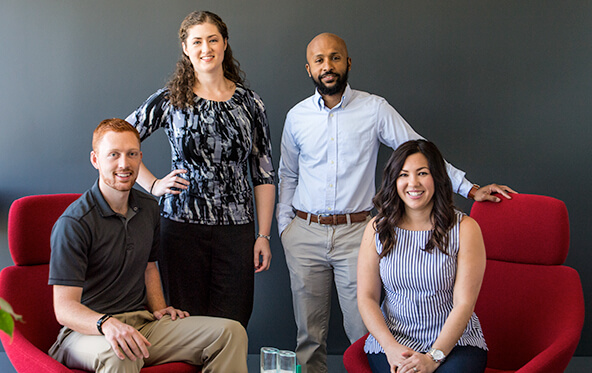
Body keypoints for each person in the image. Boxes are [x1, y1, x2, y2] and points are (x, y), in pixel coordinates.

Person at [276, 32, 514, 373]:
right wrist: (285, 228)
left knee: (362, 329)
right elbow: (287, 174)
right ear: (309, 68)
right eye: (319, 60)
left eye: (335, 57)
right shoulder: (297, 116)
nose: (327, 66)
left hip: (356, 232)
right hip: (304, 232)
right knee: (308, 334)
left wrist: (469, 187)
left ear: (348, 63)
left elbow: (418, 151)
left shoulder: (374, 108)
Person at [48, 118, 248, 373]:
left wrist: (160, 309)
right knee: (121, 353)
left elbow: (149, 266)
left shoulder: (149, 208)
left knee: (230, 332)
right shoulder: (75, 223)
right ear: (95, 160)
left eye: (131, 154)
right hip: (85, 334)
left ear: (140, 157)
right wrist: (107, 324)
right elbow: (64, 309)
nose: (124, 163)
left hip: (140, 324)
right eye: (113, 155)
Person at [125, 11, 275, 328]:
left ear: (224, 44)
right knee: (185, 322)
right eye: (197, 41)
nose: (205, 48)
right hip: (180, 229)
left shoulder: (250, 104)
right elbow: (119, 139)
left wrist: (263, 235)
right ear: (185, 48)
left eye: (212, 39)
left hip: (237, 230)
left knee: (232, 323)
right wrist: (152, 185)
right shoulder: (169, 100)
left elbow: (264, 174)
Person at [358, 140, 488, 373]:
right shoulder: (377, 228)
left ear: (437, 178)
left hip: (454, 343)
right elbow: (367, 297)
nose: (413, 183)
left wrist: (433, 357)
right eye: (403, 174)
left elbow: (464, 304)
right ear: (394, 181)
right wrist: (390, 347)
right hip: (394, 341)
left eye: (422, 173)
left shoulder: (465, 229)